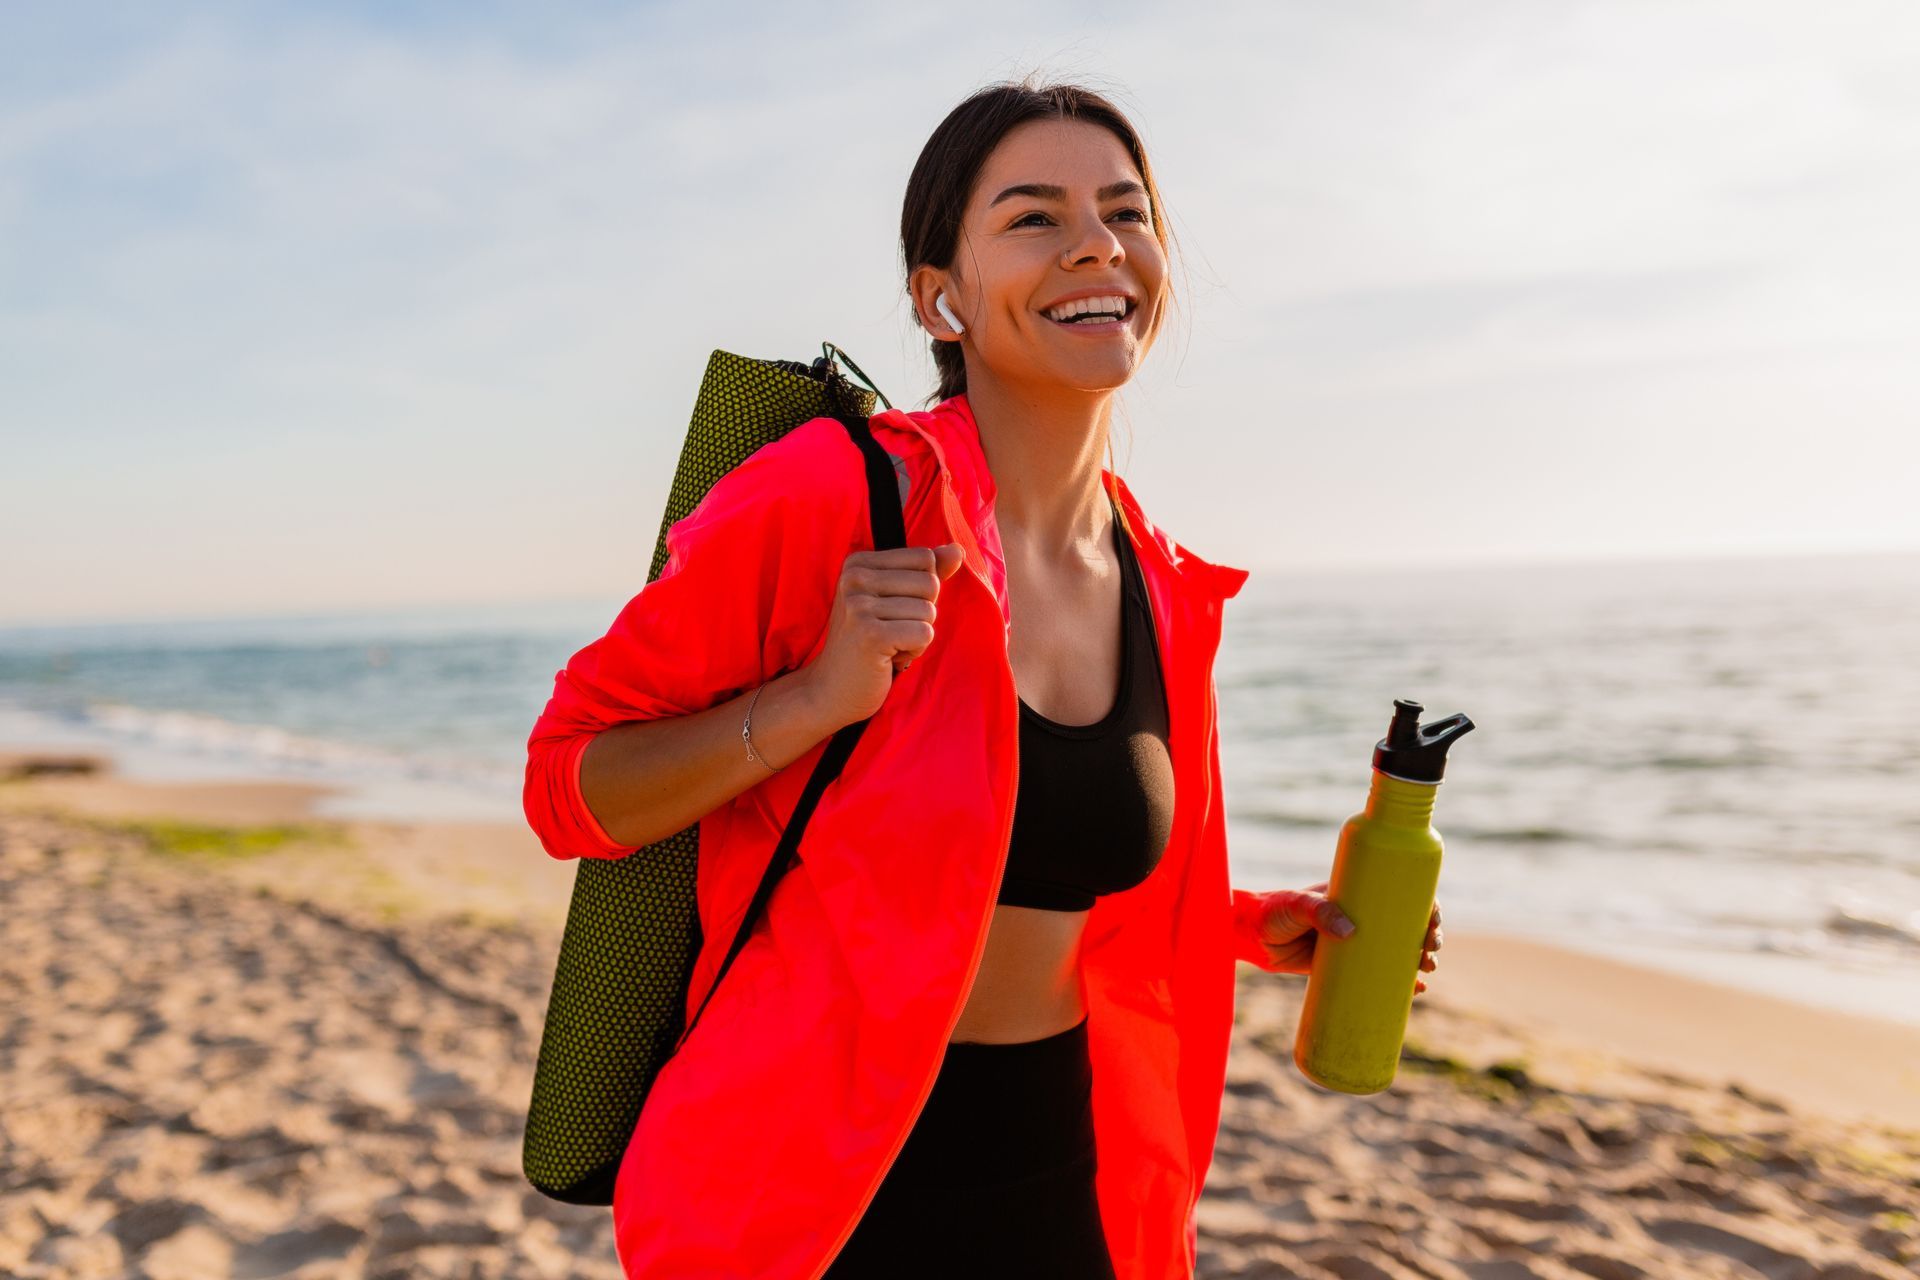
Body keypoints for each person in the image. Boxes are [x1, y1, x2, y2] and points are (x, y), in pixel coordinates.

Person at [523, 76, 1443, 1280]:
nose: (1096, 244)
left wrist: (1247, 925)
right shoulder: (834, 496)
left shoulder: (1162, 582)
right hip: (818, 1190)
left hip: (1064, 1168)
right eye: (1033, 217)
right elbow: (567, 785)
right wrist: (811, 700)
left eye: (1125, 210)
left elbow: (1016, 862)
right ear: (939, 299)